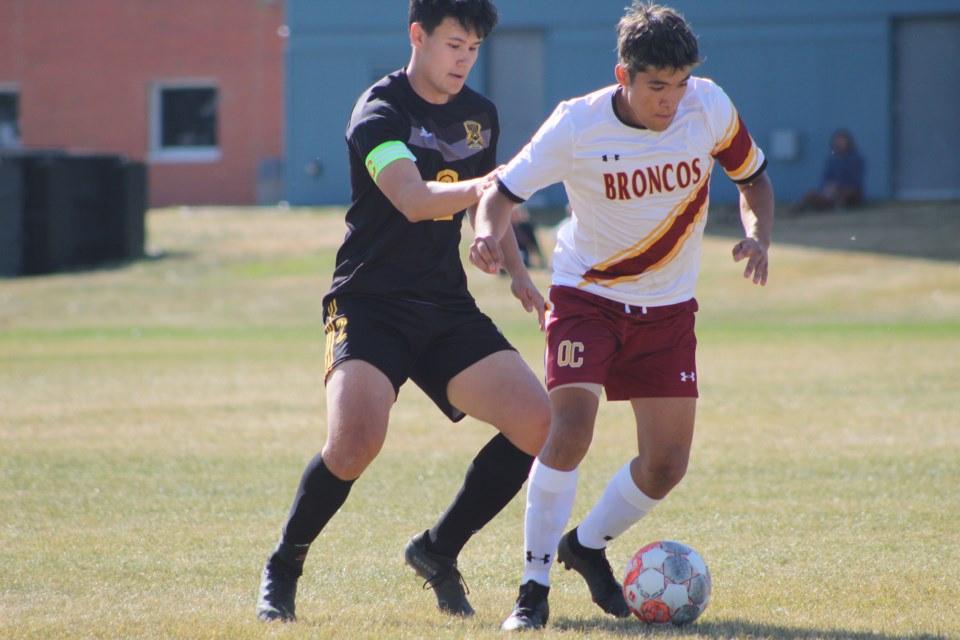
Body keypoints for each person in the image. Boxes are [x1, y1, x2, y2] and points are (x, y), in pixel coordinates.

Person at [469, 2, 775, 630]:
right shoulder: (576, 126)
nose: (671, 99)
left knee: (666, 465)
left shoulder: (709, 106)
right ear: (624, 77)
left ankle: (585, 546)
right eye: (657, 86)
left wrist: (759, 235)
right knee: (571, 430)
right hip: (587, 297)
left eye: (680, 82)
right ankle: (533, 586)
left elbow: (755, 180)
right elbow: (501, 194)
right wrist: (483, 235)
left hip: (668, 311)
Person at [255, 0, 550, 623]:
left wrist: (511, 263)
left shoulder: (479, 114)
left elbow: (481, 207)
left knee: (537, 423)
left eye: (473, 48)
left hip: (444, 306)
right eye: (452, 45)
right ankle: (283, 565)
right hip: (369, 303)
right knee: (355, 443)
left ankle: (437, 550)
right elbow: (414, 199)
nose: (464, 60)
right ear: (418, 35)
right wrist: (493, 184)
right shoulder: (379, 112)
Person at [792, 129, 864, 213]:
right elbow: (826, 178)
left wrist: (838, 186)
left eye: (842, 141)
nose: (839, 144)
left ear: (848, 142)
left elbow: (855, 180)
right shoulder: (832, 160)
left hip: (848, 192)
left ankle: (838, 207)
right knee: (810, 195)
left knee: (844, 193)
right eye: (838, 141)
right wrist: (828, 188)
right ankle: (797, 210)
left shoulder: (855, 159)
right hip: (831, 193)